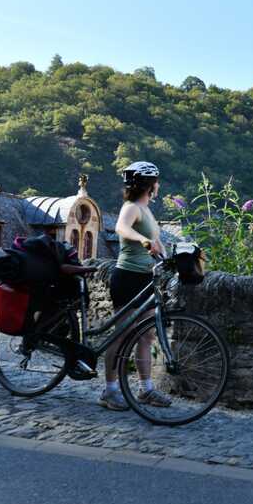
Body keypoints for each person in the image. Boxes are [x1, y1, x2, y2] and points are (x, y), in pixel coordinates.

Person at [100, 161, 172, 410]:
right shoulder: (131, 207)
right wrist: (142, 239)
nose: (158, 186)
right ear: (150, 185)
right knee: (121, 333)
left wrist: (167, 257)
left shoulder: (148, 211)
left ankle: (146, 389)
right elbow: (121, 227)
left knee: (146, 335)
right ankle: (109, 390)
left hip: (145, 278)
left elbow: (157, 245)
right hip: (128, 277)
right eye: (156, 182)